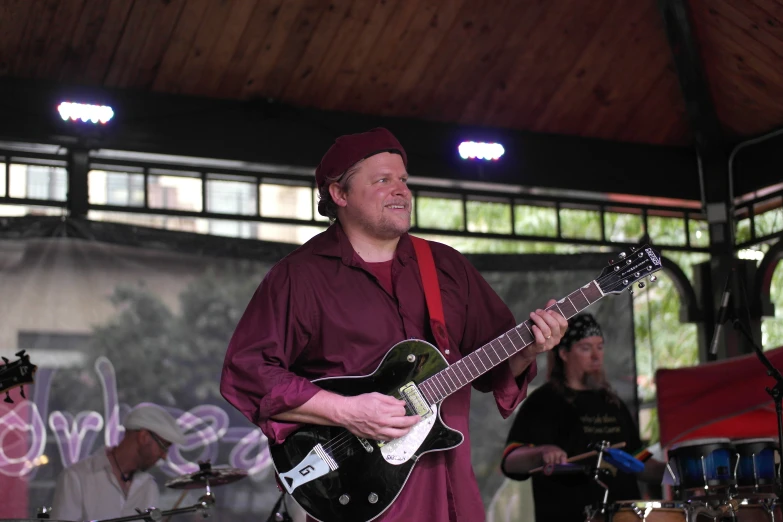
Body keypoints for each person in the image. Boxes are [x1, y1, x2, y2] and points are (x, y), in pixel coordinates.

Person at [220, 127, 568, 522]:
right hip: (356, 492)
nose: (401, 189)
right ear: (339, 194)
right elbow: (247, 370)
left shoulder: (446, 266)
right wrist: (346, 411)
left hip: (451, 488)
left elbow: (499, 366)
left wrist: (529, 348)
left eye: (403, 179)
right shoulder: (298, 277)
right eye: (383, 180)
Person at [500, 313, 665, 522]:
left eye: (600, 347)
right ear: (564, 353)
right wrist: (541, 453)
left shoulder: (613, 403)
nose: (596, 357)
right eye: (586, 348)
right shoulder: (543, 402)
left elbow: (638, 462)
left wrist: (680, 472)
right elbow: (510, 461)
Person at [51, 404, 186, 521]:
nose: (164, 456)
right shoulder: (76, 478)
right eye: (163, 447)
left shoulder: (149, 487)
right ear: (143, 437)